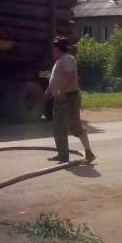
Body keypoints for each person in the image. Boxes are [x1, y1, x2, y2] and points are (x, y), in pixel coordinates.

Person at [45, 36, 96, 164]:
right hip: (60, 97)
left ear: (60, 48)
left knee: (75, 127)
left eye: (55, 47)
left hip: (69, 97)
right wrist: (50, 89)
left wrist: (62, 90)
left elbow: (70, 75)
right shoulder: (59, 60)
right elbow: (57, 77)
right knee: (58, 127)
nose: (53, 49)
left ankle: (89, 153)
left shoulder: (68, 58)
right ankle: (62, 155)